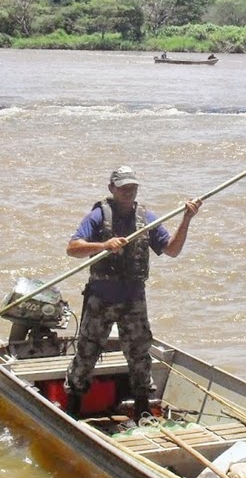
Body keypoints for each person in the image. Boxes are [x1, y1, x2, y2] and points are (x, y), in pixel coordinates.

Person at [63, 166, 202, 418]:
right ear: (112, 189)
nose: (129, 192)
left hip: (133, 300)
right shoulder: (97, 217)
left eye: (133, 187)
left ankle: (142, 409)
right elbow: (72, 248)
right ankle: (72, 407)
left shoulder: (146, 218)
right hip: (100, 299)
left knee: (139, 355)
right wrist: (104, 244)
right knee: (87, 352)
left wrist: (186, 219)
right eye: (123, 187)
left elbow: (172, 250)